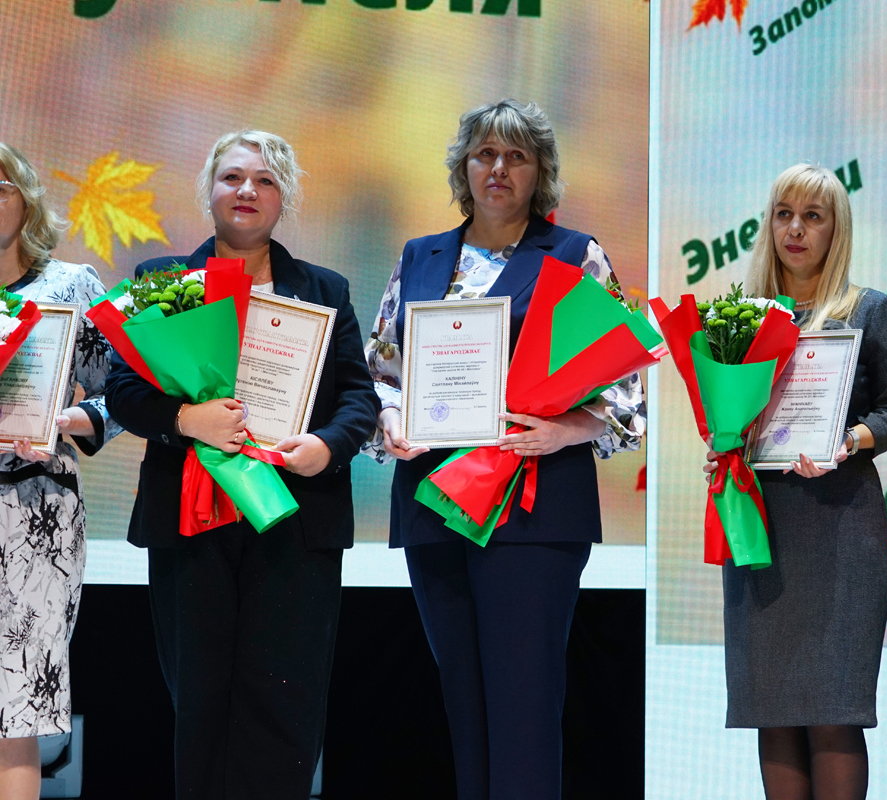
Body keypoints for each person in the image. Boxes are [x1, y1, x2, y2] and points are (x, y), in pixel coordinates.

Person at [364, 99, 645, 800]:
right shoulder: (420, 256)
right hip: (433, 502)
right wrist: (390, 418)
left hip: (532, 507)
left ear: (540, 171)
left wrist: (565, 430)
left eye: (517, 156)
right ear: (463, 166)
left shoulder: (576, 254)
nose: (498, 168)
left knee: (524, 706)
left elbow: (625, 384)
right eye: (485, 154)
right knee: (464, 705)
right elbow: (380, 369)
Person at [105, 130, 380, 799]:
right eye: (231, 177)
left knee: (285, 708)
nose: (246, 190)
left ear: (284, 197)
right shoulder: (162, 282)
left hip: (294, 522)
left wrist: (326, 447)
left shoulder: (325, 289)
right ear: (210, 190)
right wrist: (184, 420)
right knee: (200, 706)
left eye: (264, 179)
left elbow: (359, 397)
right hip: (190, 523)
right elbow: (122, 391)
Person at [705, 164, 887, 800]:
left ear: (835, 229)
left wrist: (849, 440)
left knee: (834, 713)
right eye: (784, 214)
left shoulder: (868, 309)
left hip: (840, 528)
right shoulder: (737, 319)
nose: (795, 229)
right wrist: (724, 451)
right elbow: (729, 417)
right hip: (761, 528)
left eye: (812, 216)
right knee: (773, 713)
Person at [0, 143, 123, 798]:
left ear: (26, 199)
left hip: (35, 513)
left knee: (16, 708)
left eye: (0, 189)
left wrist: (67, 420)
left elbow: (126, 393)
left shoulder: (72, 285)